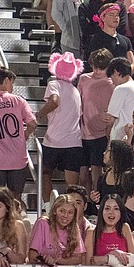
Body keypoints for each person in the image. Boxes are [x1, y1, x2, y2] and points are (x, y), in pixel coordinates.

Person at [37, 52, 84, 203]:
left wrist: (39, 114)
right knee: (71, 185)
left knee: (45, 173)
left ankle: (48, 206)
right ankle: (72, 210)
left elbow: (54, 101)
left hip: (54, 140)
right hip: (74, 141)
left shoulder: (53, 84)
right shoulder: (76, 91)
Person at [0, 68, 37, 199]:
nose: (12, 86)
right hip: (17, 159)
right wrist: (25, 134)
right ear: (6, 80)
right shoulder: (18, 101)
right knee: (15, 199)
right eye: (12, 83)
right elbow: (32, 123)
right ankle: (15, 219)